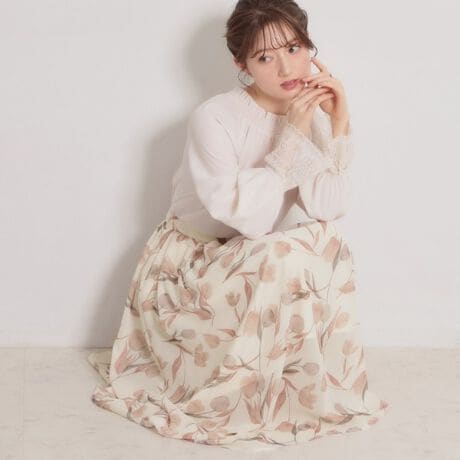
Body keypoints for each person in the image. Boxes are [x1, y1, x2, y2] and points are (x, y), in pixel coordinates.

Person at [87, 0, 389, 450]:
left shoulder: (309, 112)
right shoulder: (214, 117)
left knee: (327, 240)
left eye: (294, 48)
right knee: (280, 251)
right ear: (242, 65)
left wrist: (338, 123)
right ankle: (239, 396)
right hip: (191, 267)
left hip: (252, 261)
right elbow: (250, 220)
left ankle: (300, 391)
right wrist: (293, 135)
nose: (285, 67)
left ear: (310, 48)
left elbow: (328, 206)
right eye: (265, 57)